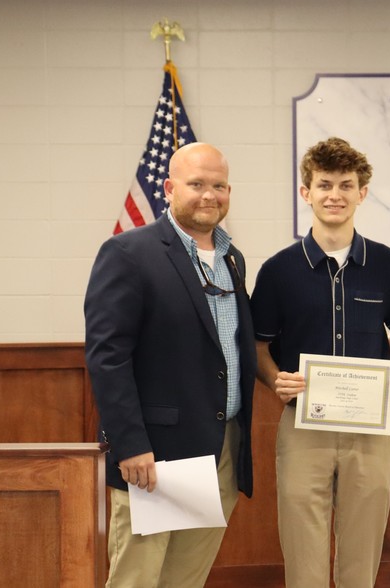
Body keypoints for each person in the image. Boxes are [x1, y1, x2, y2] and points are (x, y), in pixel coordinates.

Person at [84, 143, 256, 588]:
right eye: (196, 184)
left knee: (185, 579)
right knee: (138, 579)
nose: (209, 195)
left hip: (221, 447)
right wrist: (130, 444)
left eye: (219, 186)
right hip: (156, 455)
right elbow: (108, 357)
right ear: (169, 188)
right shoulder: (128, 253)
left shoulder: (232, 259)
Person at [251, 137, 390, 588]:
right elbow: (258, 349)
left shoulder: (387, 265)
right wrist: (276, 380)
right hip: (303, 427)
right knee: (303, 555)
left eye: (346, 185)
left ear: (362, 193)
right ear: (306, 192)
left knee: (361, 555)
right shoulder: (278, 271)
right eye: (324, 184)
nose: (335, 195)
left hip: (371, 429)